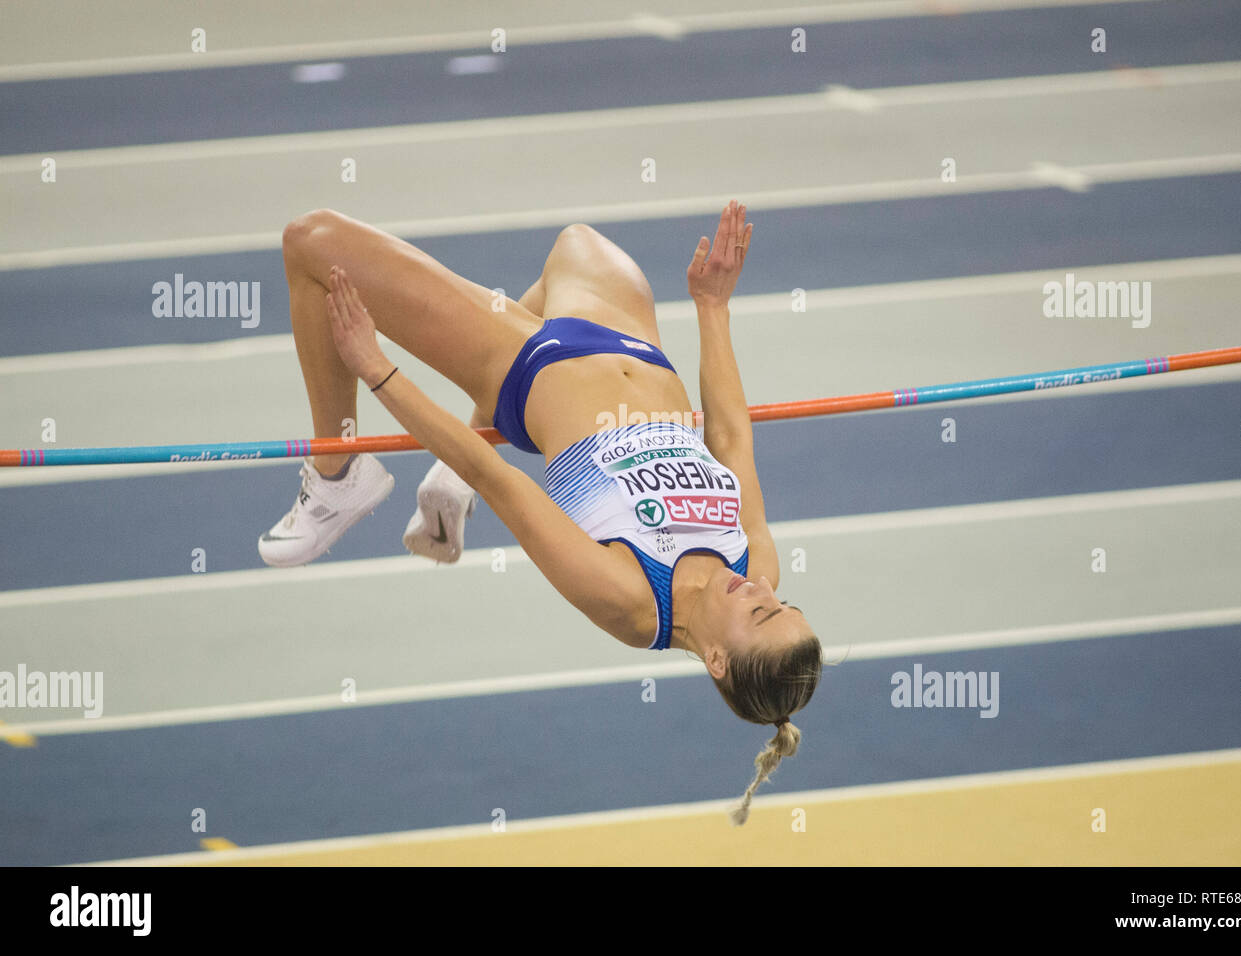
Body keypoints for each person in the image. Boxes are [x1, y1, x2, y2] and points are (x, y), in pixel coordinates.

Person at [259, 200, 822, 824]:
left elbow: (495, 476)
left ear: (718, 660)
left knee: (311, 243)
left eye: (761, 612)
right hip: (634, 346)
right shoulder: (756, 562)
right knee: (575, 240)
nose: (762, 588)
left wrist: (377, 369)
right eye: (783, 601)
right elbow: (733, 440)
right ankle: (451, 466)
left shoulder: (633, 599)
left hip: (528, 368)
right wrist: (712, 307)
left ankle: (338, 476)